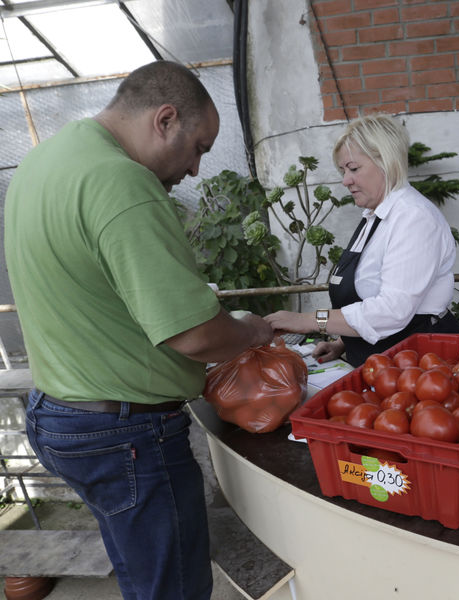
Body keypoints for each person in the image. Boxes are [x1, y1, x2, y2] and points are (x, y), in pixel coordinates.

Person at [4, 61, 274, 600]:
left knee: (141, 572)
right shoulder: (122, 181)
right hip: (124, 435)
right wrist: (250, 331)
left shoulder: (44, 162)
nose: (196, 169)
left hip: (60, 413)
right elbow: (195, 334)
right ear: (165, 119)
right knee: (171, 588)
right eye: (199, 146)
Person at [266, 114, 459, 366]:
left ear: (386, 162)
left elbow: (391, 311)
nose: (345, 180)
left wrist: (307, 320)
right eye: (343, 170)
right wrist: (342, 344)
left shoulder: (414, 218)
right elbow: (368, 293)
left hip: (418, 363)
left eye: (353, 168)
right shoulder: (374, 217)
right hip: (381, 360)